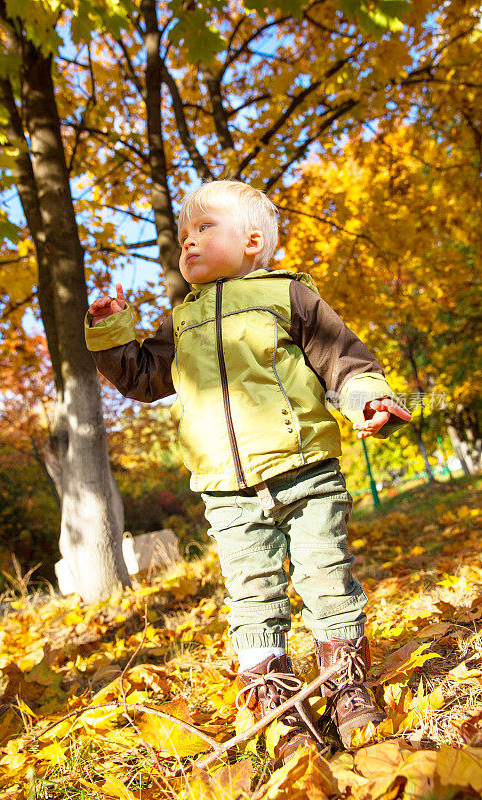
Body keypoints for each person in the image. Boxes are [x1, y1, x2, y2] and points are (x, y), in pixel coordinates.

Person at [85, 180, 411, 760]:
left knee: (326, 578)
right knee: (253, 598)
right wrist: (112, 334)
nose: (187, 242)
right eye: (183, 235)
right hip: (227, 493)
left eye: (204, 229)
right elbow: (140, 376)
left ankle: (345, 685)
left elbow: (345, 361)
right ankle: (276, 702)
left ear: (252, 240)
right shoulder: (179, 322)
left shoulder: (289, 297)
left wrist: (368, 399)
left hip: (305, 471)